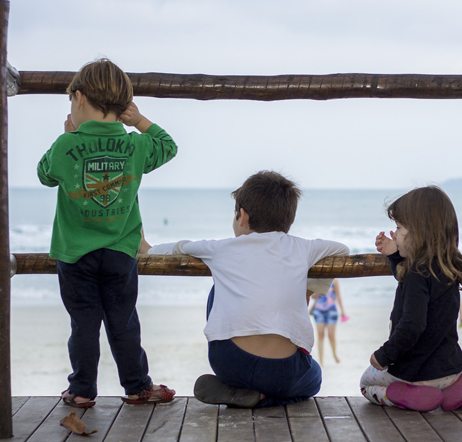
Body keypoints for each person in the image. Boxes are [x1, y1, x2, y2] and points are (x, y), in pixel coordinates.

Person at [37, 58, 178, 408]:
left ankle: (82, 389)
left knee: (83, 325)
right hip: (119, 252)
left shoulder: (65, 145)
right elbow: (168, 145)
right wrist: (139, 121)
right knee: (123, 322)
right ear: (121, 106)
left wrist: (68, 135)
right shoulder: (135, 145)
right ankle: (137, 386)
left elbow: (44, 174)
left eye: (72, 101)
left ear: (80, 98)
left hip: (75, 254)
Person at [144, 171, 350, 408]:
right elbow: (342, 250)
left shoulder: (220, 249)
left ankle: (245, 392)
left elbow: (177, 248)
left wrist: (146, 249)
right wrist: (307, 290)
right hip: (284, 372)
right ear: (289, 220)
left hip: (230, 363)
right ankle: (266, 399)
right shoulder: (303, 248)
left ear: (242, 216)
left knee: (218, 289)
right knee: (314, 378)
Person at [360, 186, 462, 412]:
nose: (394, 234)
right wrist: (395, 254)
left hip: (410, 374)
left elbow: (412, 325)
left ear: (419, 233)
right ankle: (457, 392)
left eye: (399, 228)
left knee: (366, 383)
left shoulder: (416, 274)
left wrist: (383, 355)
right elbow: (405, 275)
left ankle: (403, 394)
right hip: (449, 372)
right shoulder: (449, 267)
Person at [309, 278, 346, 366]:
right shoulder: (317, 280)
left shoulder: (334, 280)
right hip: (318, 310)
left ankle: (334, 354)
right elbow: (312, 296)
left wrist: (342, 311)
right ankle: (321, 361)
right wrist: (319, 289)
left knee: (331, 335)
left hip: (332, 309)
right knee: (320, 335)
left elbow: (338, 295)